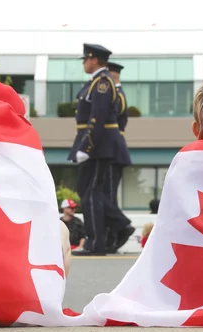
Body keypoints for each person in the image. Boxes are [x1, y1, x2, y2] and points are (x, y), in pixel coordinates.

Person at [67, 43, 134, 256]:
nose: (84, 63)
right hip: (96, 144)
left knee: (93, 194)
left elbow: (98, 116)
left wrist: (87, 146)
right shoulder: (96, 82)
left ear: (94, 59)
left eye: (86, 59)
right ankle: (106, 233)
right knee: (88, 192)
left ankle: (96, 243)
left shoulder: (102, 83)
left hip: (98, 145)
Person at [105, 61, 132, 253]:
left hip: (114, 149)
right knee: (107, 195)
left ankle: (121, 226)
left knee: (107, 195)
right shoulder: (115, 93)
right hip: (114, 148)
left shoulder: (117, 94)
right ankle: (112, 235)